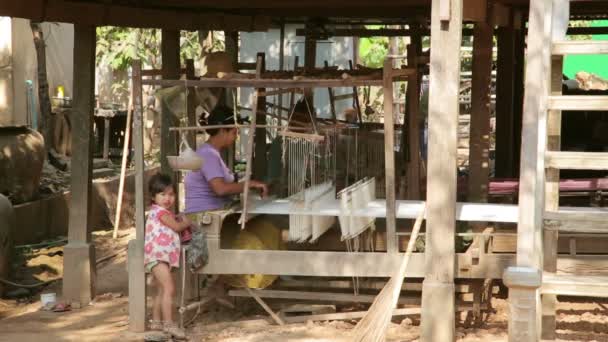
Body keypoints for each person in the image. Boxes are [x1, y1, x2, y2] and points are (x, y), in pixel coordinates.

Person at [185, 105, 268, 213]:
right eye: (234, 133)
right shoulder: (208, 154)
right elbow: (221, 189)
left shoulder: (211, 153)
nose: (236, 137)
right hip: (204, 218)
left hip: (211, 214)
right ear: (223, 130)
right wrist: (250, 184)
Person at [144, 173, 190, 338]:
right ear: (153, 196)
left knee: (162, 290)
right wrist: (186, 222)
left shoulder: (161, 212)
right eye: (162, 194)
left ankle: (156, 323)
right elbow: (177, 227)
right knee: (169, 288)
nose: (167, 198)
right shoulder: (160, 213)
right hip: (158, 257)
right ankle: (169, 325)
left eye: (171, 194)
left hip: (157, 257)